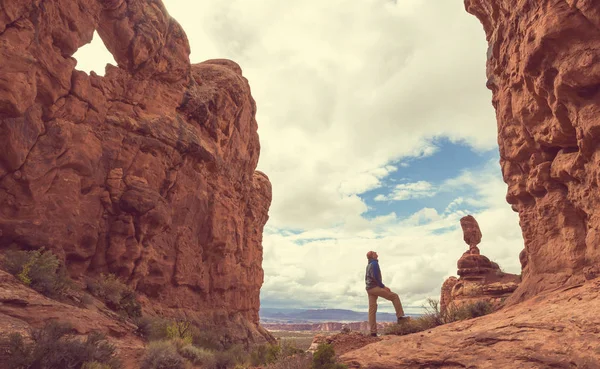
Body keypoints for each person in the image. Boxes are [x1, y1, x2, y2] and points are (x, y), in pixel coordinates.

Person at [365, 250, 407, 336]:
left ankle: (373, 332)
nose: (377, 253)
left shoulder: (368, 265)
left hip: (369, 289)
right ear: (373, 256)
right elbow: (376, 277)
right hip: (375, 287)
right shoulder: (374, 264)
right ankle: (400, 317)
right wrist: (383, 287)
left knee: (372, 310)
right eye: (374, 252)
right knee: (394, 296)